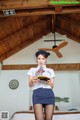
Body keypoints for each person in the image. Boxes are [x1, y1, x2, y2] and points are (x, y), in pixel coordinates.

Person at [27, 50, 55, 120]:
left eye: (43, 58)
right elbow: (30, 85)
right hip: (37, 94)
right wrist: (32, 81)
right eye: (39, 58)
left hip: (49, 94)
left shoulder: (50, 70)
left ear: (46, 60)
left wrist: (47, 81)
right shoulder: (32, 70)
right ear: (36, 59)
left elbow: (52, 86)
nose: (41, 61)